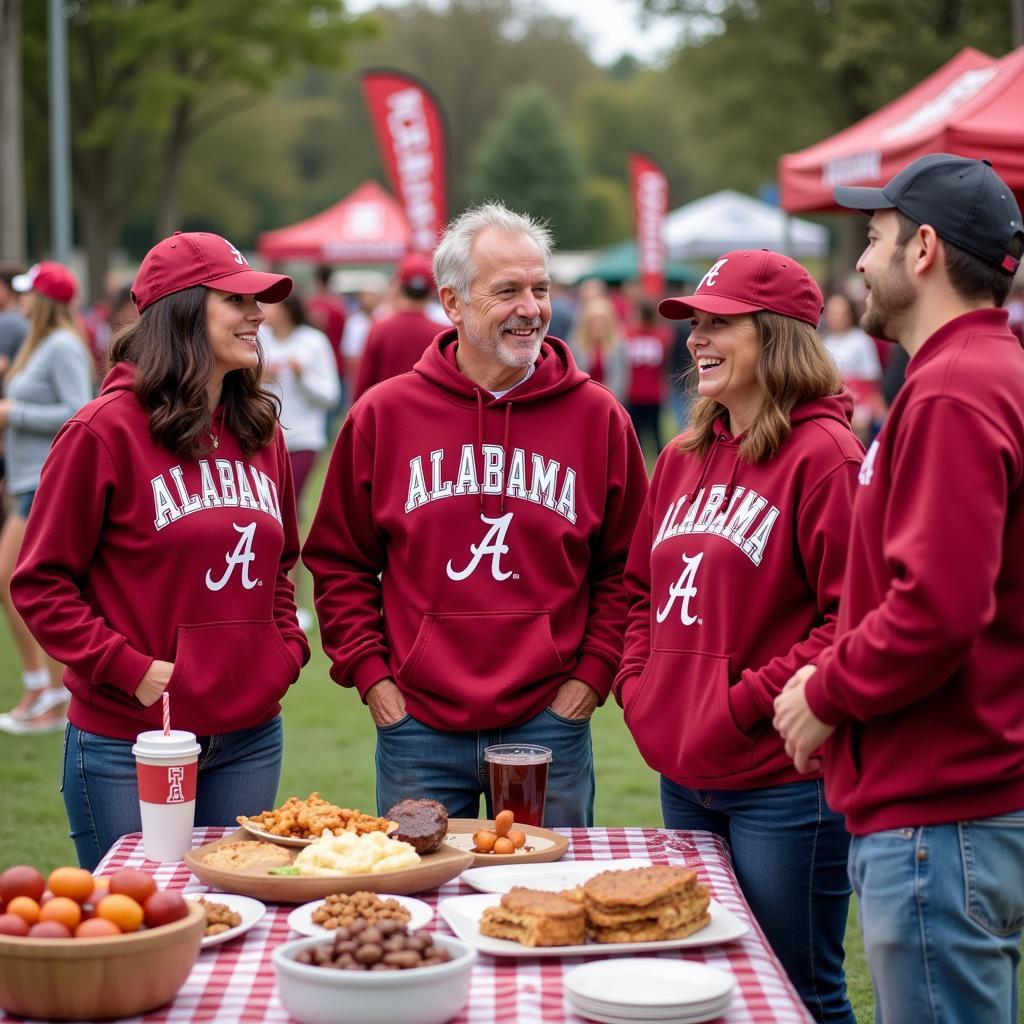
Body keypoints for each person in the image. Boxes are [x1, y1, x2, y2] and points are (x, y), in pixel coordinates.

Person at [774, 154, 1024, 1024]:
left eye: (872, 240)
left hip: (939, 813)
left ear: (922, 250)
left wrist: (827, 694)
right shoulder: (979, 370)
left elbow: (938, 608)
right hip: (960, 807)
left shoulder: (955, 388)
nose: (858, 265)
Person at [304, 202, 648, 825]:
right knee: (425, 911)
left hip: (551, 722)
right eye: (507, 290)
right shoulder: (384, 415)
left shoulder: (598, 417)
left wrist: (588, 683)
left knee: (546, 906)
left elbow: (629, 569)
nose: (531, 307)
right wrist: (375, 681)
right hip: (418, 728)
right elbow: (339, 563)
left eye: (540, 288)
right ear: (453, 302)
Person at [10, 231, 309, 869]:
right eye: (237, 300)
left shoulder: (262, 431)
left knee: (232, 922)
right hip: (132, 742)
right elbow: (40, 582)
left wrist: (281, 650)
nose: (259, 314)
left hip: (252, 734)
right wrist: (130, 670)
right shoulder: (102, 432)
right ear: (181, 311)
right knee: (136, 922)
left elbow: (280, 563)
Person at [616, 249, 861, 1023]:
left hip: (784, 783)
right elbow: (637, 593)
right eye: (694, 324)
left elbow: (849, 619)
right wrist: (642, 689)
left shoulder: (826, 457)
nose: (696, 339)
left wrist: (741, 703)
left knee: (800, 989)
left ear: (777, 337)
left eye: (719, 323)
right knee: (712, 984)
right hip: (683, 771)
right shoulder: (683, 457)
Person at [0, 262, 94, 735]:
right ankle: (44, 687)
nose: (23, 300)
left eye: (29, 293)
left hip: (44, 480)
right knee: (14, 583)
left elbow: (79, 411)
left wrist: (14, 412)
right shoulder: (41, 344)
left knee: (17, 581)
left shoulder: (61, 346)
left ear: (45, 300)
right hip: (25, 479)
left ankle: (54, 690)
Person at [261, 291, 340, 511]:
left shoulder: (313, 341)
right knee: (266, 507)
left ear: (286, 312)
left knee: (287, 506)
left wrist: (302, 377)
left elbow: (331, 396)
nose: (261, 311)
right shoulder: (258, 338)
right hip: (262, 438)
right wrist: (257, 377)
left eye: (269, 306)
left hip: (303, 439)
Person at [353, 253, 442, 400]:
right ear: (431, 290)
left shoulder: (379, 329)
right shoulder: (442, 333)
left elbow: (364, 383)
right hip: (429, 415)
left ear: (399, 286)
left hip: (387, 412)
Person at [821, 292, 883, 443]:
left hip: (858, 403)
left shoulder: (860, 340)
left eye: (841, 313)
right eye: (833, 313)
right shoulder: (823, 342)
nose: (837, 318)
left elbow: (870, 378)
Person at [624, 297, 671, 458]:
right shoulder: (663, 335)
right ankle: (654, 462)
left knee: (645, 433)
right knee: (650, 432)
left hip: (641, 392)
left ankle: (652, 465)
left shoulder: (629, 334)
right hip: (649, 392)